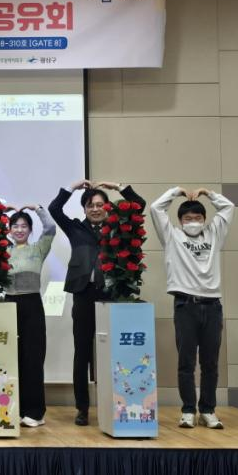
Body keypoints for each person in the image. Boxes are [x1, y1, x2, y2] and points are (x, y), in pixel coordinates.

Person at [48, 179, 146, 426]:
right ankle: (82, 408)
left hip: (110, 295)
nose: (95, 209)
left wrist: (119, 187)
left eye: (100, 204)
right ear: (84, 208)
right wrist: (71, 187)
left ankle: (114, 405)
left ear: (108, 207)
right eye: (90, 205)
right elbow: (54, 209)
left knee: (112, 352)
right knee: (82, 352)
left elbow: (139, 204)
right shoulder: (75, 229)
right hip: (83, 293)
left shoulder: (118, 226)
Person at [150, 187, 234, 429]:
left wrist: (208, 193)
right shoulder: (172, 236)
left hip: (213, 306)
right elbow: (156, 208)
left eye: (198, 218)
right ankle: (188, 410)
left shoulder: (215, 234)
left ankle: (207, 410)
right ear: (180, 221)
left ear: (205, 219)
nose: (193, 222)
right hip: (185, 305)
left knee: (210, 363)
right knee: (186, 362)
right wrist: (176, 192)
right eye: (188, 218)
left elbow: (228, 207)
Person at [4, 204, 56, 428]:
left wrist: (37, 209)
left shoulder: (38, 248)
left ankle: (35, 412)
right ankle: (15, 409)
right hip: (8, 304)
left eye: (24, 226)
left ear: (30, 229)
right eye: (15, 226)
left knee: (33, 358)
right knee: (11, 358)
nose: (19, 230)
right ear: (9, 230)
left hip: (32, 304)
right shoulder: (4, 250)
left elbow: (51, 227)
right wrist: (0, 210)